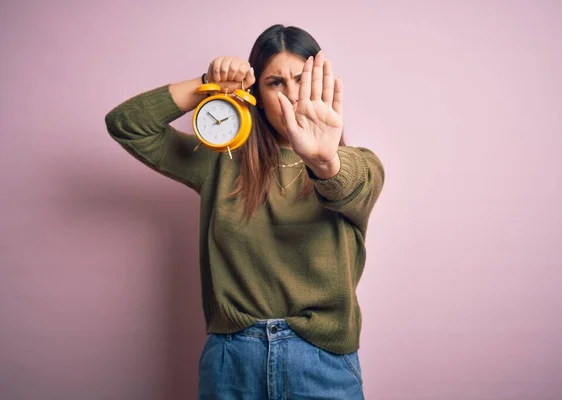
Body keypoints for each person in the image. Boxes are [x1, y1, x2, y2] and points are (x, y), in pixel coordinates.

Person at [105, 24, 384, 400]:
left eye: (301, 79)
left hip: (321, 362)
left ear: (321, 84)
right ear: (257, 92)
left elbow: (347, 184)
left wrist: (324, 161)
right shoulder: (220, 162)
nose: (291, 94)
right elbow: (127, 124)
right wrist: (208, 83)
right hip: (233, 361)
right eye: (275, 83)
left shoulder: (357, 166)